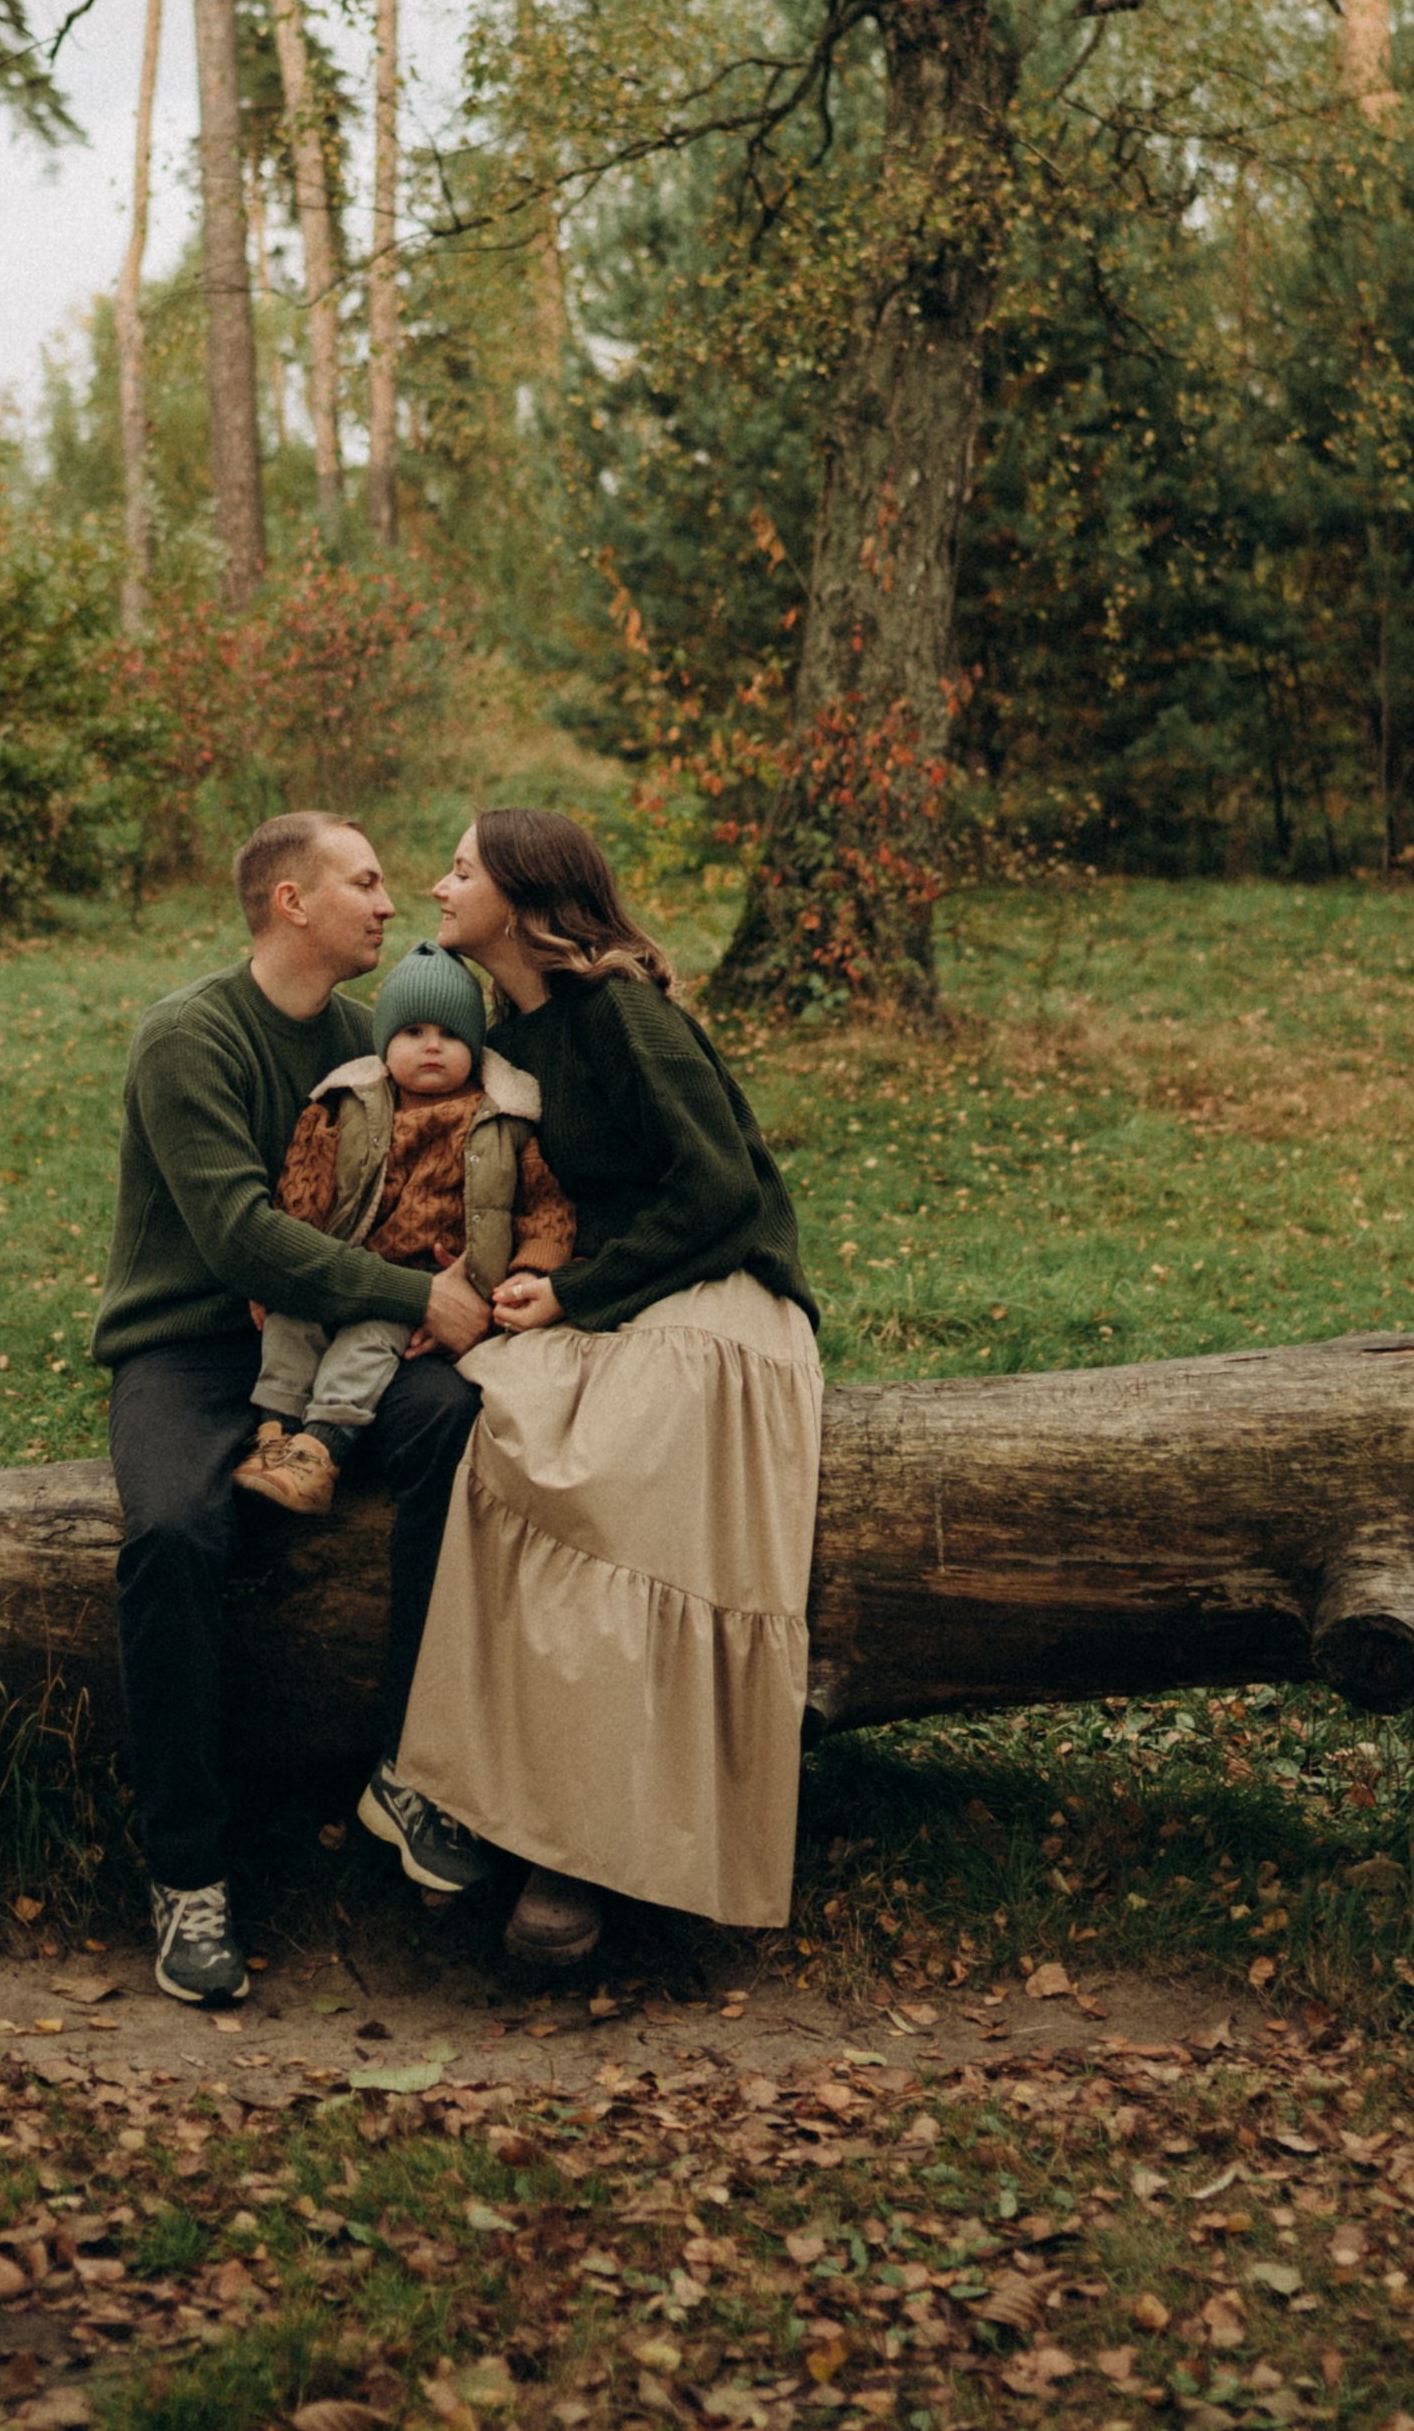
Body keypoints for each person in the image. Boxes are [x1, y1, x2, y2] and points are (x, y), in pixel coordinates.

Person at [392, 808, 823, 1970]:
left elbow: (721, 1188)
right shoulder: (509, 1033)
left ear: (526, 899)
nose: (438, 884)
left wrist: (580, 1292)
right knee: (500, 1425)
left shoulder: (625, 1012)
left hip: (719, 1297)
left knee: (599, 1481)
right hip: (608, 1293)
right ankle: (480, 1797)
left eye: (462, 867)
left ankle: (576, 1855)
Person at [91, 811, 500, 2010]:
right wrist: (411, 1290)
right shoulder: (188, 1037)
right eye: (366, 884)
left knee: (459, 1431)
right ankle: (188, 1870)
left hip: (345, 1344)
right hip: (192, 1344)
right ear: (292, 903)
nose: (391, 904)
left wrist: (441, 1290)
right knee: (172, 1534)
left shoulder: (375, 1038)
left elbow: (432, 1175)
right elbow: (237, 1237)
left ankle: (409, 1771)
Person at [237, 933, 573, 1518]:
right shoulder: (348, 1102)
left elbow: (546, 1206)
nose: (432, 1047)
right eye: (413, 1033)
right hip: (339, 1264)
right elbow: (304, 1187)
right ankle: (275, 1433)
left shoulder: (504, 1119)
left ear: (474, 1045)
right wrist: (278, 1273)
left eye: (449, 1035)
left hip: (422, 1285)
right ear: (384, 1042)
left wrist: (528, 1271)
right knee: (291, 1322)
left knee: (366, 1344)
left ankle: (321, 1449)